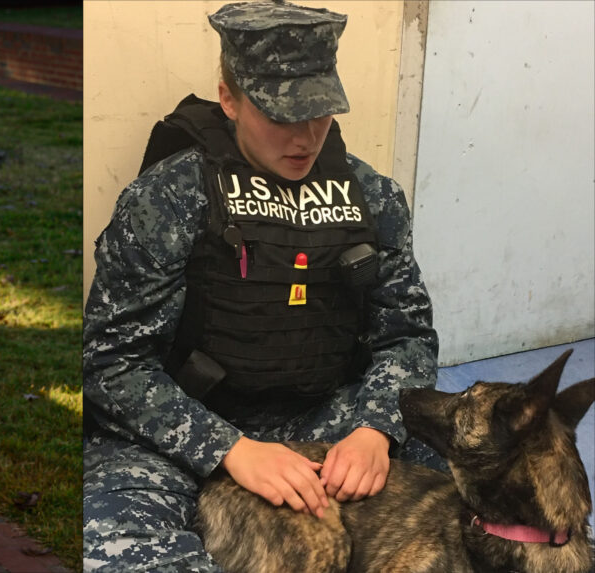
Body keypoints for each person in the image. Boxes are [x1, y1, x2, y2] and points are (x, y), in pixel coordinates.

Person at [83, 2, 442, 571]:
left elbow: (407, 337)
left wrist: (376, 428)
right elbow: (112, 365)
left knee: (492, 508)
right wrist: (228, 449)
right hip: (186, 431)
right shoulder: (168, 199)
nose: (304, 137)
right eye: (281, 115)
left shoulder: (373, 198)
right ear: (229, 98)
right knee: (119, 550)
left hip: (330, 420)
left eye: (318, 112)